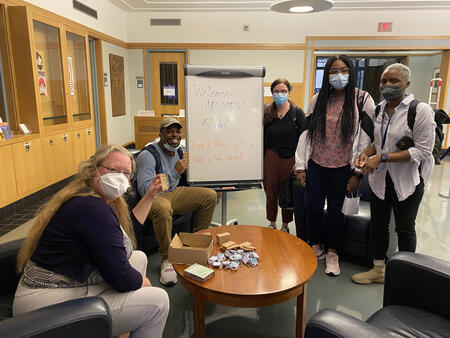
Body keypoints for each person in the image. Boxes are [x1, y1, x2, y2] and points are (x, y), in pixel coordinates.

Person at [13, 144, 170, 338]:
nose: (119, 177)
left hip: (57, 288)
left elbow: (126, 236)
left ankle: (124, 329)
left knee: (138, 258)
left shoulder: (93, 198)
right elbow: (122, 279)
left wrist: (149, 196)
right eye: (112, 170)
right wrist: (144, 283)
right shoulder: (92, 208)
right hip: (43, 303)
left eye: (126, 173)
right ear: (94, 169)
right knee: (158, 301)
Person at [352, 63, 435, 284]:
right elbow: (378, 144)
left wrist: (382, 157)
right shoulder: (380, 109)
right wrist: (365, 153)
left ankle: (407, 276)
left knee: (405, 228)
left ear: (407, 84)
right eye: (384, 81)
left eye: (394, 81)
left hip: (407, 180)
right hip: (380, 179)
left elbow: (423, 150)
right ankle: (379, 270)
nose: (387, 85)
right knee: (379, 225)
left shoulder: (420, 110)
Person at [295, 55, 375, 276]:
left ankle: (333, 251)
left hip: (343, 168)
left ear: (350, 72)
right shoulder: (318, 99)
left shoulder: (362, 99)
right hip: (317, 165)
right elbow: (305, 134)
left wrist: (357, 174)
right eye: (333, 71)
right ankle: (318, 245)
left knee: (336, 212)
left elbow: (366, 139)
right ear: (327, 74)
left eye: (343, 71)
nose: (338, 75)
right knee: (313, 208)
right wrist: (300, 166)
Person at [136, 117, 217, 286]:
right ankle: (167, 258)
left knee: (209, 195)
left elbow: (178, 181)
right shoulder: (148, 155)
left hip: (174, 193)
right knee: (164, 207)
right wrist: (174, 172)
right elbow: (145, 189)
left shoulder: (179, 151)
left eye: (177, 131)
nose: (174, 135)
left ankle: (197, 244)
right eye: (169, 131)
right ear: (160, 134)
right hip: (154, 199)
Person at [263, 78, 306, 233]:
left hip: (290, 160)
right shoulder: (267, 112)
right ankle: (272, 223)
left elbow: (304, 139)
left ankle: (285, 225)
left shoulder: (297, 113)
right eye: (276, 91)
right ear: (272, 93)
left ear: (289, 92)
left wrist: (299, 163)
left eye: (283, 91)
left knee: (287, 194)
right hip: (270, 158)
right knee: (271, 193)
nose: (280, 94)